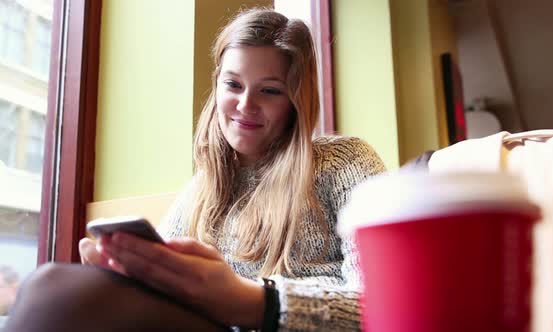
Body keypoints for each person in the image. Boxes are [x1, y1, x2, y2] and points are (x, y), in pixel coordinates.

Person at [5, 8, 385, 332]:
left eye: (269, 90)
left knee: (52, 292)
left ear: (296, 99)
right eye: (233, 84)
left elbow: (385, 301)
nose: (245, 105)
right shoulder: (204, 188)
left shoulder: (345, 162)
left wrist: (252, 300)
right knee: (57, 287)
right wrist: (127, 267)